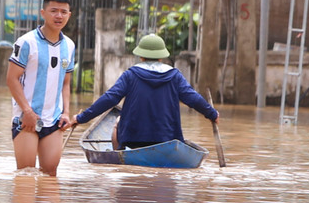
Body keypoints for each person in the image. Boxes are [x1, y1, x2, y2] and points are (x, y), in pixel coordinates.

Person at [72, 33, 219, 148]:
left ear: (141, 56)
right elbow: (193, 99)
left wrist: (81, 118)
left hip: (133, 140)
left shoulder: (130, 75)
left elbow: (110, 98)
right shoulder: (175, 76)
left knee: (117, 122)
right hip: (168, 140)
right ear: (162, 57)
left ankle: (119, 156)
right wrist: (211, 114)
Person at [6, 0, 75, 175]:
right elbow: (11, 79)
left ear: (69, 15)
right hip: (27, 118)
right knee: (26, 174)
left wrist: (66, 113)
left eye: (63, 11)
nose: (58, 16)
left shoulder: (69, 46)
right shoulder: (26, 42)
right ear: (43, 13)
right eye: (54, 11)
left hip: (54, 120)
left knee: (50, 174)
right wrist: (27, 111)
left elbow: (66, 82)